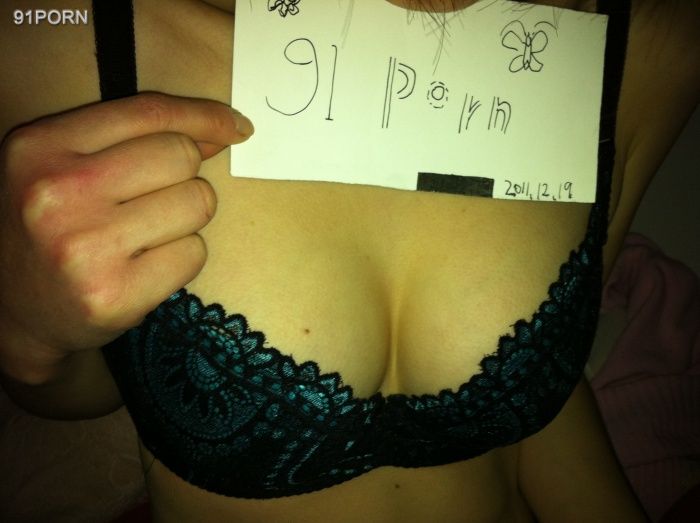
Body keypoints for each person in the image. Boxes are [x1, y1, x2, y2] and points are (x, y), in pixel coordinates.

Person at [0, 0, 697, 521]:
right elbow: (103, 385)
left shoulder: (651, 41)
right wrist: (29, 339)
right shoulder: (46, 31)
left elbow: (545, 377)